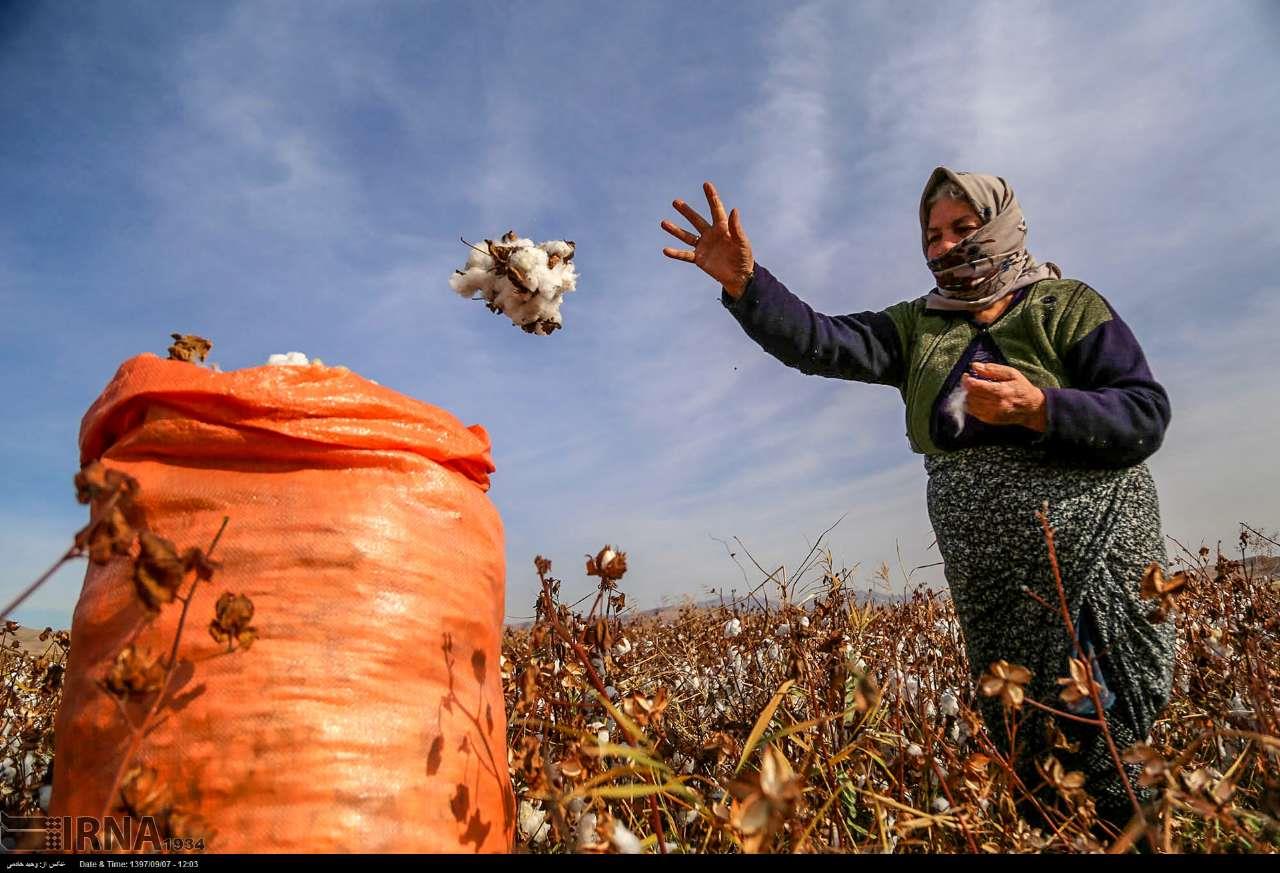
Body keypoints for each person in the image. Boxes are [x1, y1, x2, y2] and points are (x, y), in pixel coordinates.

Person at [661, 171, 1177, 835]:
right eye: (933, 235)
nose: (945, 246)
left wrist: (1041, 405)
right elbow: (820, 339)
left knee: (1104, 732)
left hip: (1090, 560)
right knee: (1027, 744)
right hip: (994, 585)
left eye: (963, 229)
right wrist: (746, 284)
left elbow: (1145, 411)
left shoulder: (1066, 306)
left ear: (1001, 225)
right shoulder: (919, 326)